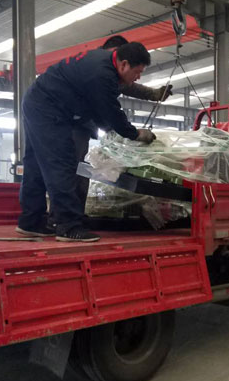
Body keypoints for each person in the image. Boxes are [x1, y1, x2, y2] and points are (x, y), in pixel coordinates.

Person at [16, 42, 156, 243]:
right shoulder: (102, 75)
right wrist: (135, 134)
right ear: (124, 64)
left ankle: (30, 222)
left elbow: (97, 109)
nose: (138, 77)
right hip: (49, 109)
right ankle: (69, 227)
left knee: (36, 164)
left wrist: (111, 130)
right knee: (62, 164)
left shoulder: (102, 63)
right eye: (138, 72)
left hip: (37, 102)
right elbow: (111, 112)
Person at [68, 35, 172, 220]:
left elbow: (128, 85)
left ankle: (68, 218)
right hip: (70, 121)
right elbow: (112, 110)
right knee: (73, 170)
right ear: (119, 58)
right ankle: (68, 220)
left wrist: (154, 94)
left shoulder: (106, 68)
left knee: (77, 169)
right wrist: (133, 133)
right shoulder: (100, 70)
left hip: (77, 120)